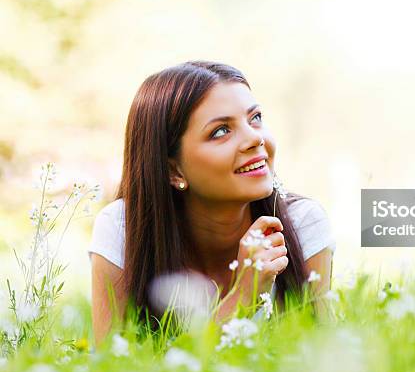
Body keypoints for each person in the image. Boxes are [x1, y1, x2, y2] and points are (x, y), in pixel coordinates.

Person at [88, 61, 336, 346]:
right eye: (221, 131)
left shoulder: (302, 223)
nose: (255, 138)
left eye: (255, 118)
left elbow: (322, 360)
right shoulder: (123, 229)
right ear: (173, 171)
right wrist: (244, 295)